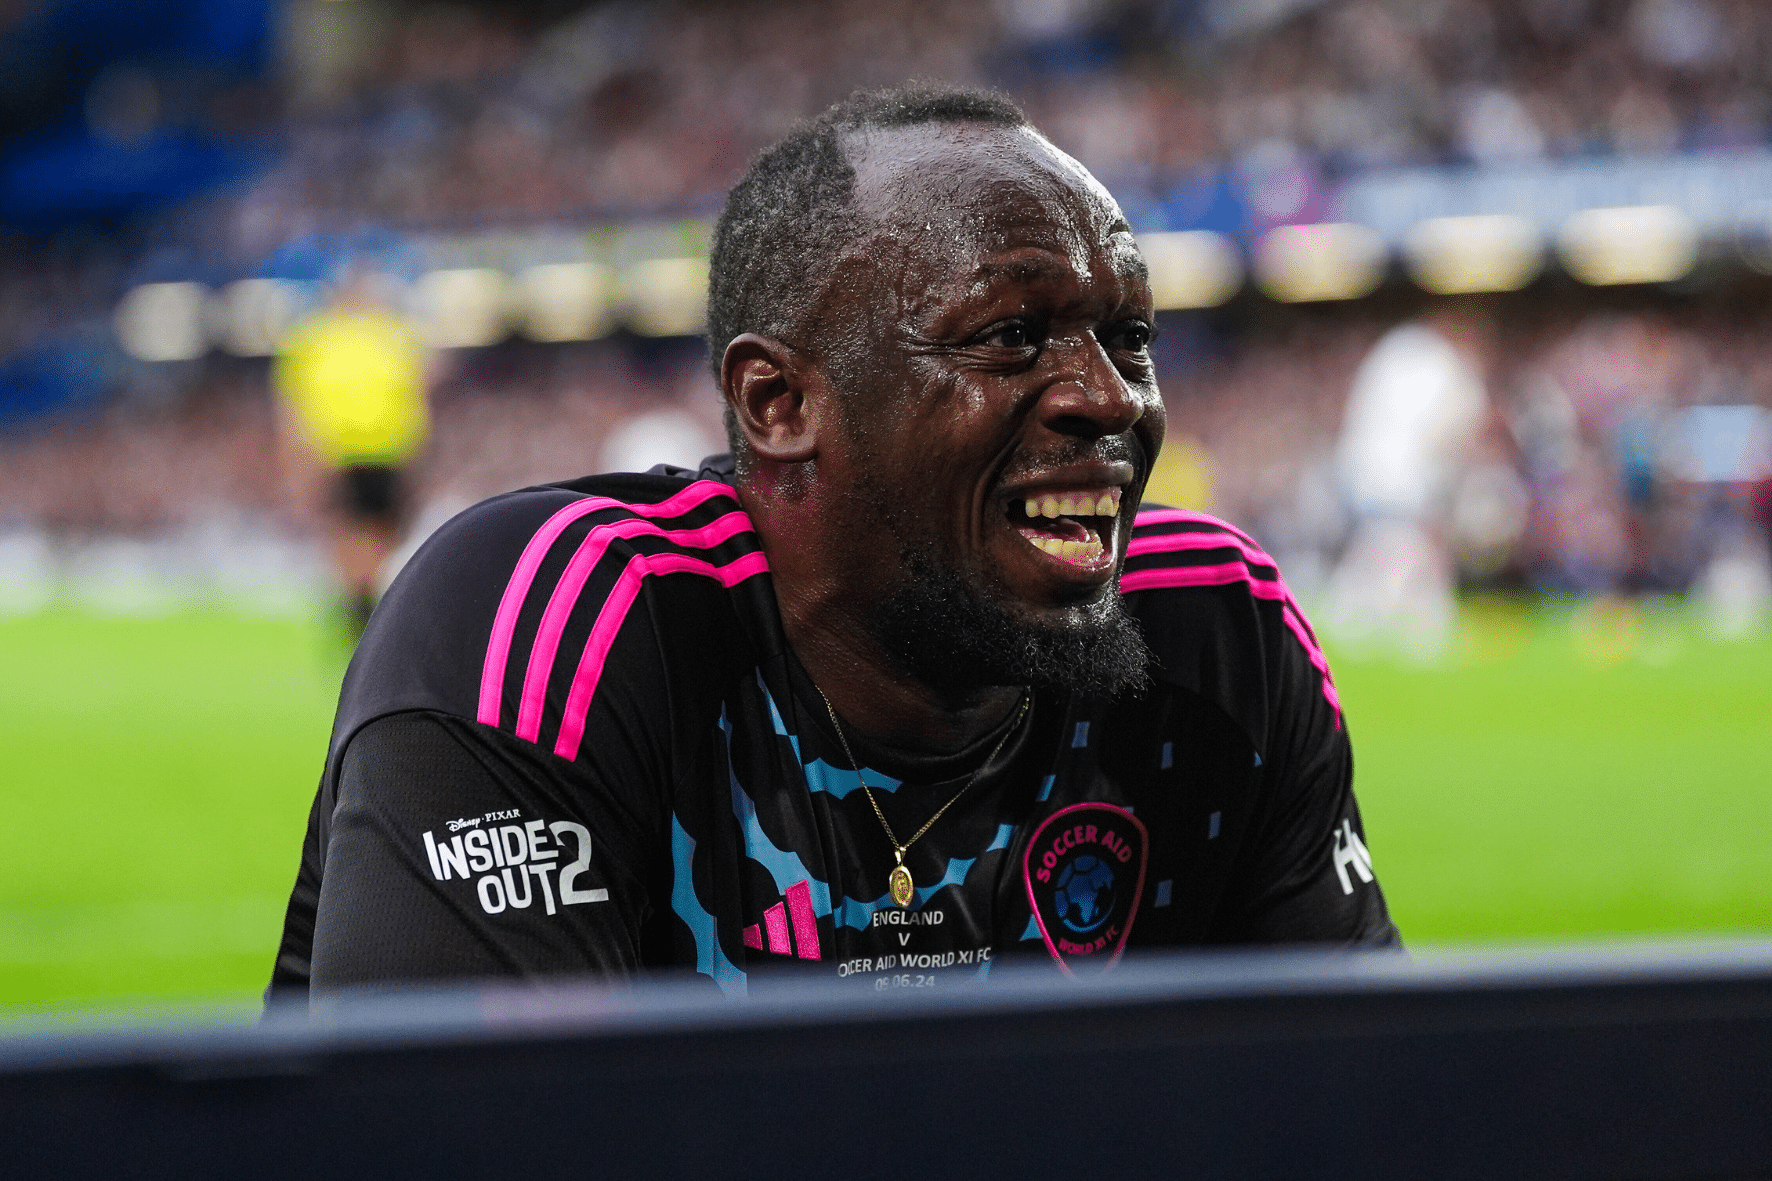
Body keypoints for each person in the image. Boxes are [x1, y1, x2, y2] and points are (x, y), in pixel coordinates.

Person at [270, 85, 1396, 1000]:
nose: (1110, 400)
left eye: (1130, 336)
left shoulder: (1215, 630)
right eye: (1008, 336)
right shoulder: (557, 619)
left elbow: (1370, 1112)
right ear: (777, 405)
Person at [273, 264, 430, 636]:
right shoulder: (317, 340)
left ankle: (366, 610)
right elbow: (296, 406)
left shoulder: (390, 334)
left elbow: (415, 396)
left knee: (380, 535)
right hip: (345, 455)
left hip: (388, 452)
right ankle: (363, 615)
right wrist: (302, 457)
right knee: (357, 535)